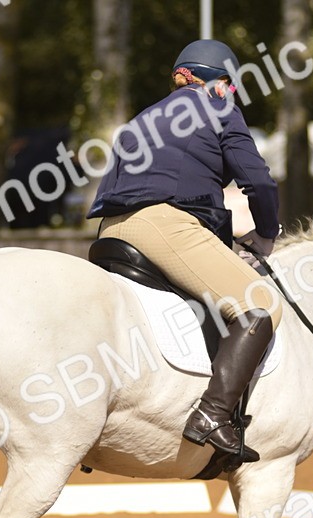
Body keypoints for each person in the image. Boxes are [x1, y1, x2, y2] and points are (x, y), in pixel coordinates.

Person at [88, 39, 281, 463]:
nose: (232, 94)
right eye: (229, 85)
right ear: (215, 81)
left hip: (112, 230)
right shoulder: (218, 107)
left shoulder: (141, 118)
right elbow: (259, 182)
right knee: (260, 304)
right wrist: (266, 232)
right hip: (164, 223)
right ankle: (212, 414)